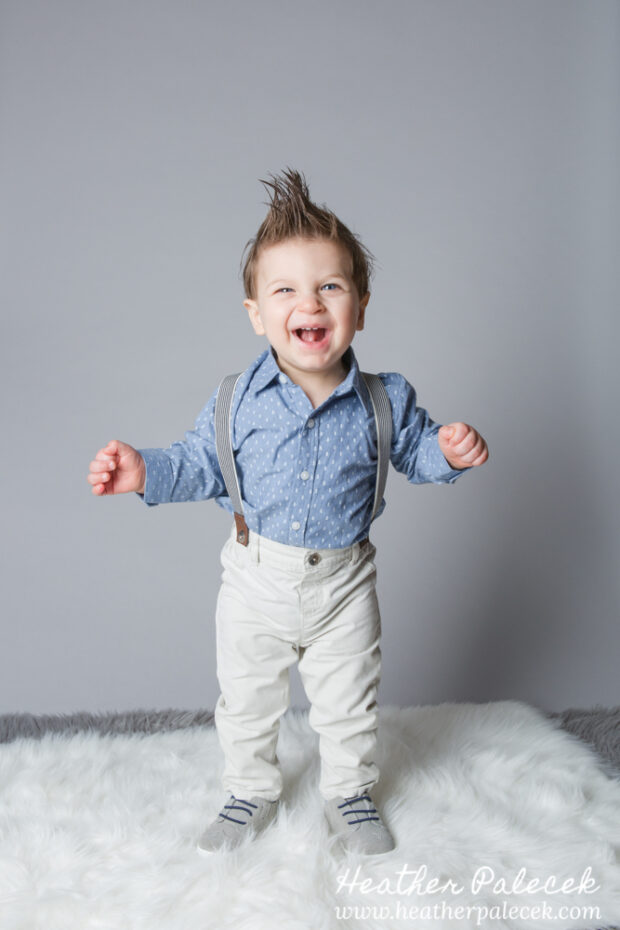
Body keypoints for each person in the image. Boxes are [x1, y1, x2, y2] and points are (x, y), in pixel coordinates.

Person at [87, 168, 488, 856]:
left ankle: (349, 793)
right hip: (254, 579)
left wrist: (450, 452)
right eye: (287, 290)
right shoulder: (236, 398)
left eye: (330, 286)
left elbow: (417, 455)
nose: (311, 301)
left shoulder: (384, 398)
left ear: (361, 306)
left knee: (349, 706)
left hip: (343, 586)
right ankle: (249, 789)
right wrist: (144, 471)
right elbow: (199, 462)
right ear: (256, 313)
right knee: (246, 702)